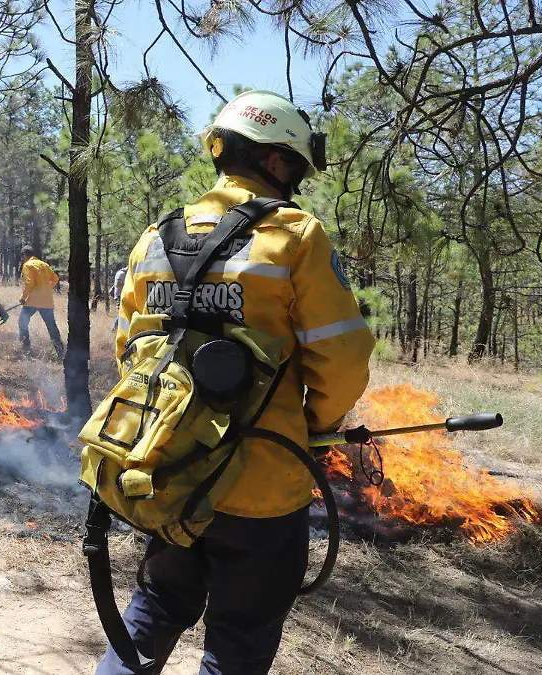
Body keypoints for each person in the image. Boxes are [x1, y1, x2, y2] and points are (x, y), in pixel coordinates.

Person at [102, 90, 375, 674]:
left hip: (169, 471)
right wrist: (321, 426)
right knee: (239, 642)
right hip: (264, 488)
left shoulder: (155, 237)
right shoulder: (295, 235)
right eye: (296, 166)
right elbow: (344, 356)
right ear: (276, 161)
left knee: (155, 604)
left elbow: (129, 351)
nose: (296, 181)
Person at [17, 245, 65, 357]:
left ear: (24, 255)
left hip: (32, 301)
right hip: (47, 301)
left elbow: (29, 283)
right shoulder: (44, 264)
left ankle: (26, 350)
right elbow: (55, 279)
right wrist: (46, 289)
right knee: (51, 327)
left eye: (22, 256)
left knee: (22, 322)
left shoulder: (27, 265)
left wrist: (23, 298)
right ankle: (61, 352)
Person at [109, 265, 128, 330]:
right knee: (121, 313)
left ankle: (116, 328)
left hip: (118, 296)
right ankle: (115, 328)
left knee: (121, 312)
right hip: (122, 296)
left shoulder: (119, 273)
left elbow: (114, 288)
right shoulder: (124, 275)